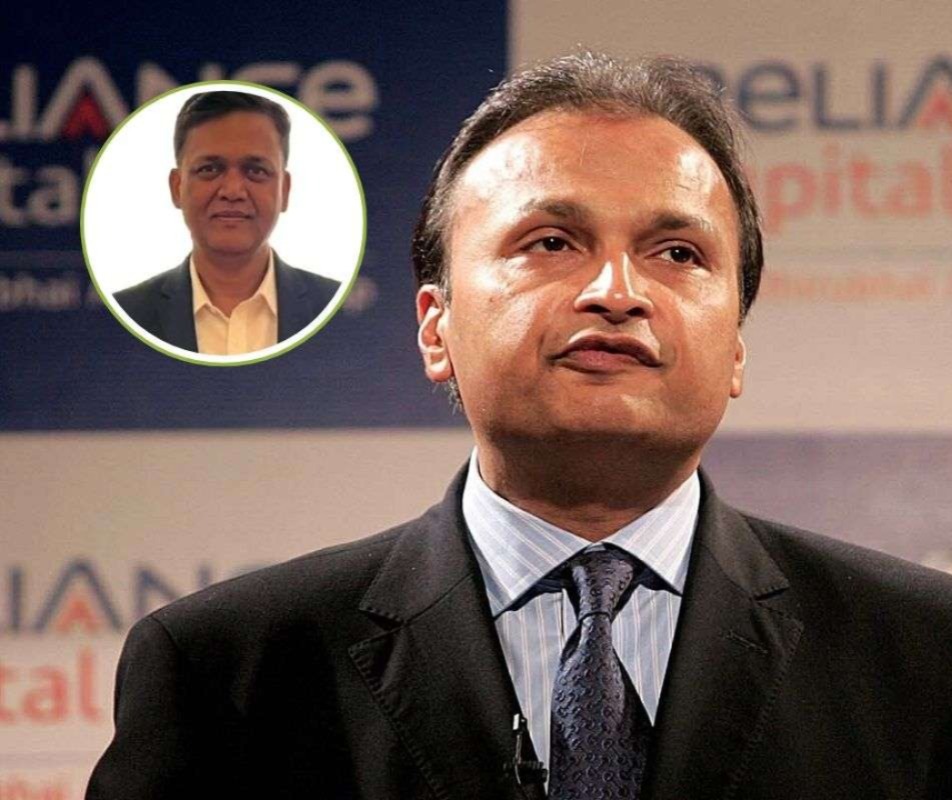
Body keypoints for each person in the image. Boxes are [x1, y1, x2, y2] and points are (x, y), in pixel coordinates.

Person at [87, 53, 952, 799]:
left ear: (736, 347)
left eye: (678, 254)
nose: (617, 291)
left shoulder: (926, 654)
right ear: (436, 329)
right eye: (551, 243)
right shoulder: (227, 669)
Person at [113, 91, 340, 355]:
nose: (232, 191)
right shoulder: (124, 314)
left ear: (284, 190)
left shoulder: (338, 309)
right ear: (177, 187)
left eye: (256, 171)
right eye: (210, 169)